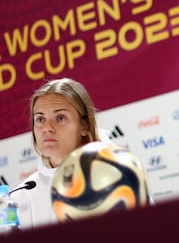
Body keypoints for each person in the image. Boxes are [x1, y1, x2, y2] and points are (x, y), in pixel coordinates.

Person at [9, 78, 114, 230]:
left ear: (84, 126)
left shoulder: (117, 176)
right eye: (40, 119)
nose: (47, 128)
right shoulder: (20, 196)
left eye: (60, 118)